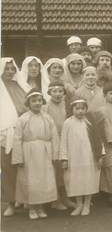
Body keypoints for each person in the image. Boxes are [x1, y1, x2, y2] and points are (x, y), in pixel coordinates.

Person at [12, 89, 59, 219]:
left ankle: (40, 207)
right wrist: (18, 158)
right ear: (28, 103)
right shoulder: (23, 119)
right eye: (34, 101)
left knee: (44, 180)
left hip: (45, 151)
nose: (37, 103)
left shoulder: (48, 118)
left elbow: (54, 136)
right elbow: (17, 139)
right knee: (31, 180)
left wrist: (55, 154)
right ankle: (32, 208)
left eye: (39, 100)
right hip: (29, 152)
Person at [60, 97, 102, 216]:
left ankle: (87, 204)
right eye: (77, 108)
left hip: (88, 156)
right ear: (72, 109)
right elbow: (63, 142)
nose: (80, 111)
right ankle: (79, 205)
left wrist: (99, 156)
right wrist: (64, 158)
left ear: (86, 109)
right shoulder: (68, 123)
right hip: (74, 158)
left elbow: (98, 139)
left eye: (82, 108)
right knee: (76, 180)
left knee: (88, 179)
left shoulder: (89, 122)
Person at [0, 58, 30, 217]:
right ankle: (11, 203)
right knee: (8, 169)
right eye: (7, 69)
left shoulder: (21, 85)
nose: (10, 72)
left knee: (25, 167)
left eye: (13, 69)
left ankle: (24, 198)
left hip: (24, 131)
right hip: (5, 133)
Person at [43, 81, 75, 210]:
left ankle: (66, 198)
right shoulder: (45, 107)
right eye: (54, 91)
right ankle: (55, 200)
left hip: (65, 139)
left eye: (60, 91)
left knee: (65, 170)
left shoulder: (66, 105)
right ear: (49, 92)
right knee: (55, 170)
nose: (57, 94)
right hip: (52, 141)